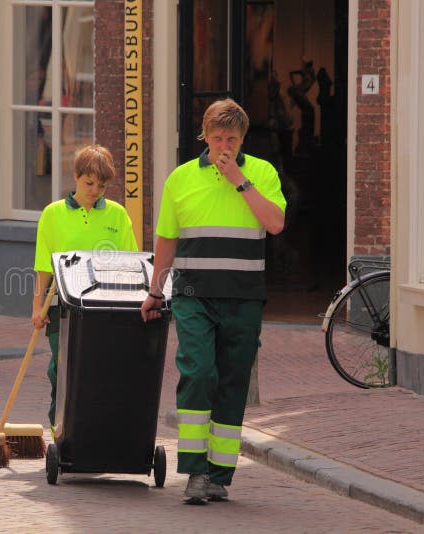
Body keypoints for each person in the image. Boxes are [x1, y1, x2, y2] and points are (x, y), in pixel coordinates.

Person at [140, 99, 286, 504]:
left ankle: (219, 475)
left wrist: (239, 178)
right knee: (199, 372)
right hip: (193, 295)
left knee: (233, 381)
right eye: (218, 138)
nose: (224, 146)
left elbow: (274, 223)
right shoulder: (180, 179)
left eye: (233, 139)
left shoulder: (261, 173)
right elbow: (167, 239)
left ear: (243, 139)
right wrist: (156, 289)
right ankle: (194, 472)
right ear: (204, 136)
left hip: (244, 297)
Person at [32, 144, 138, 435]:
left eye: (101, 185)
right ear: (76, 177)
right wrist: (36, 307)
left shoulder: (117, 215)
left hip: (106, 308)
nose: (95, 190)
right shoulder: (52, 214)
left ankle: (94, 432)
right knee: (62, 370)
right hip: (61, 307)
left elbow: (130, 263)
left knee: (100, 369)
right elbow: (43, 266)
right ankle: (60, 431)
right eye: (89, 183)